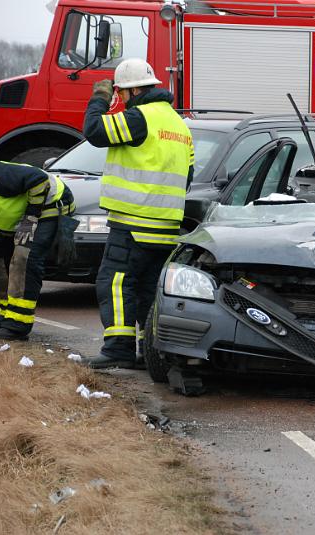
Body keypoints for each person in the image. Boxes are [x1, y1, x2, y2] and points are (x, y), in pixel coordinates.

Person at [79, 58, 194, 369]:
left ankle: (118, 350)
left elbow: (94, 130)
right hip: (166, 227)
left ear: (128, 91)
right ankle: (150, 351)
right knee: (147, 290)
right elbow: (189, 174)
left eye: (120, 93)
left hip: (132, 223)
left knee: (115, 283)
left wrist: (100, 98)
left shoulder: (139, 118)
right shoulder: (179, 126)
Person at [0, 160, 75, 340]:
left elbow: (38, 179)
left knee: (24, 259)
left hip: (47, 206)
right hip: (14, 218)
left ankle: (18, 325)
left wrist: (30, 217)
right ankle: (8, 315)